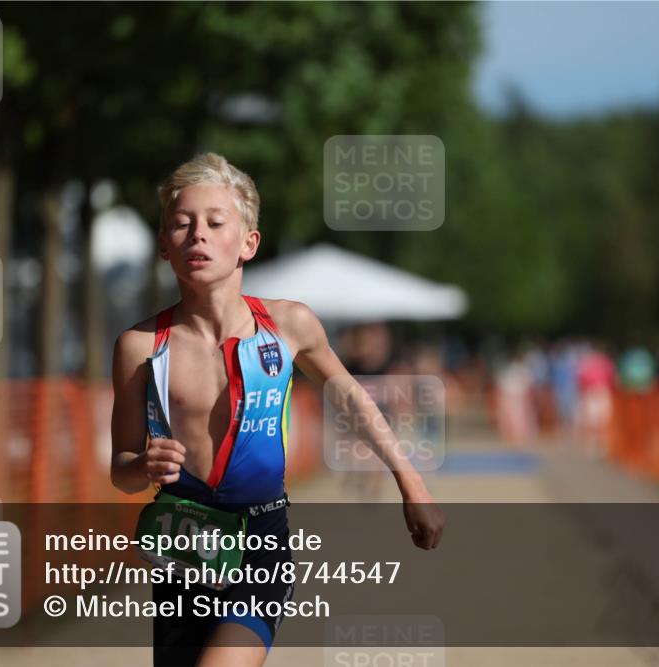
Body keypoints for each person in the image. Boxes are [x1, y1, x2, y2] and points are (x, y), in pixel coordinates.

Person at [109, 153, 444, 667]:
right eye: (181, 224)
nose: (197, 234)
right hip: (182, 549)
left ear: (248, 243)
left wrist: (411, 482)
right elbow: (123, 473)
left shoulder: (289, 325)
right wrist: (142, 464)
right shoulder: (139, 346)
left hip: (262, 544)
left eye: (215, 223)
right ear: (163, 246)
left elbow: (351, 397)